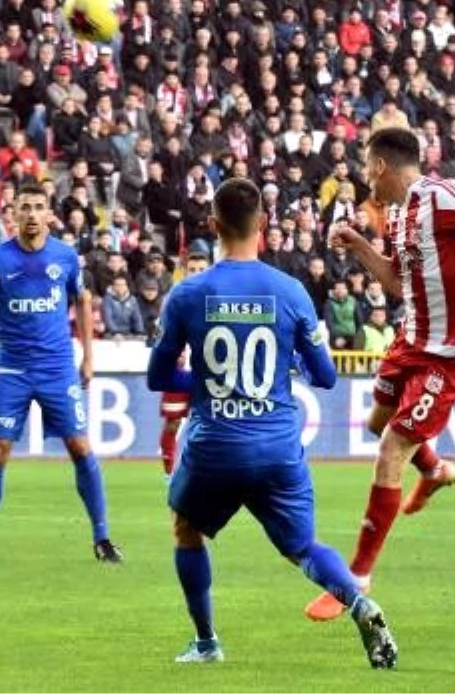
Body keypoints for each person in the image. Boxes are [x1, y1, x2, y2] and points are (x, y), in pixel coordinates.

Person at [146, 178, 397, 668]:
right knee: (303, 547)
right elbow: (326, 376)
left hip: (214, 443)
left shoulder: (189, 293)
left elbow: (159, 376)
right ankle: (361, 603)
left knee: (187, 529)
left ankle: (206, 642)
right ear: (262, 225)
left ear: (214, 226)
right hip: (276, 446)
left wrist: (205, 381)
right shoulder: (291, 291)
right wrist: (289, 368)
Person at [305, 127, 455, 621]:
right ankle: (435, 469)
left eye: (366, 168)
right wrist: (360, 243)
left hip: (449, 355)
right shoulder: (399, 214)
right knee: (378, 423)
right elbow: (398, 285)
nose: (365, 179)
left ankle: (355, 580)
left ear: (380, 166)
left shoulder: (443, 196)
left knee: (389, 450)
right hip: (412, 340)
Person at [0, 184, 122, 564]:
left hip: (57, 370)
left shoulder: (65, 257)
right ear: (13, 214)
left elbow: (82, 301)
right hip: (13, 370)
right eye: (24, 208)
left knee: (80, 447)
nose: (31, 214)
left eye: (38, 207)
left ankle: (102, 538)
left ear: (49, 213)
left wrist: (88, 356)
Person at [155, 252, 210, 477]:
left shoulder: (219, 297)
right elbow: (160, 332)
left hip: (209, 371)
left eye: (201, 270)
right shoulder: (174, 298)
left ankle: (207, 474)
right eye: (192, 269)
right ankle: (169, 473)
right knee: (173, 423)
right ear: (185, 271)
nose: (196, 274)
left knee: (211, 424)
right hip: (179, 372)